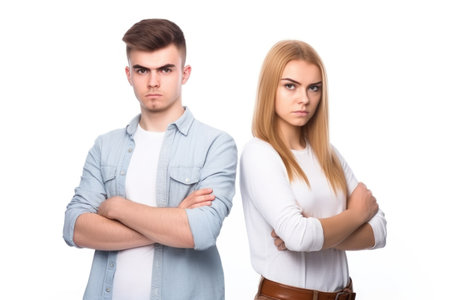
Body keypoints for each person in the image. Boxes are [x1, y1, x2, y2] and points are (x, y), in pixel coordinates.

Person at [63, 19, 237, 300]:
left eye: (165, 69)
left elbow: (202, 231)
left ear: (185, 73)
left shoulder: (215, 144)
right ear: (129, 74)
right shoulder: (105, 146)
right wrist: (174, 220)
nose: (153, 81)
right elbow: (75, 227)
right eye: (142, 70)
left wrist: (118, 207)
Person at [240, 40, 387, 300]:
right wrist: (355, 215)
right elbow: (298, 236)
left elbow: (379, 230)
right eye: (290, 86)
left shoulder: (327, 154)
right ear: (269, 88)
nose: (304, 99)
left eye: (314, 88)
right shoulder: (259, 153)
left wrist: (316, 234)